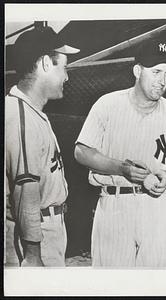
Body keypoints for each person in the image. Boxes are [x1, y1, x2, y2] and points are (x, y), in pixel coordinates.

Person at [74, 39, 166, 267]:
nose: (162, 81)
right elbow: (81, 151)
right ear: (138, 71)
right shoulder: (107, 104)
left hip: (159, 205)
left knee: (155, 286)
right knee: (113, 285)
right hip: (115, 202)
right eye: (156, 71)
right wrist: (122, 168)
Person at [5, 26, 80, 267]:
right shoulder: (20, 116)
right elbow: (25, 190)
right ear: (46, 63)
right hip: (35, 238)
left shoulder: (30, 110)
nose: (67, 77)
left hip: (46, 230)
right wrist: (33, 255)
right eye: (64, 67)